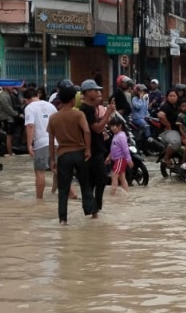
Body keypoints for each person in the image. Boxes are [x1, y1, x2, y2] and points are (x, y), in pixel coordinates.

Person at [47, 84, 95, 224]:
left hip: (63, 155)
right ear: (73, 100)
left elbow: (51, 140)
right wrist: (87, 149)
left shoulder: (54, 117)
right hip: (79, 153)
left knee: (63, 189)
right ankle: (92, 213)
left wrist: (53, 159)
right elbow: (86, 131)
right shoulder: (79, 114)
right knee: (85, 184)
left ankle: (63, 220)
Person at [79, 79, 114, 212]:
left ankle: (93, 209)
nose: (98, 93)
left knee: (95, 180)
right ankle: (94, 209)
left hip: (97, 148)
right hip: (92, 150)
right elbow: (97, 128)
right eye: (95, 91)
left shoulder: (91, 108)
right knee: (100, 179)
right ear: (87, 92)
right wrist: (108, 112)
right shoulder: (85, 110)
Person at [23, 86, 54, 200]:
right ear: (37, 95)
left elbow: (30, 126)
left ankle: (39, 199)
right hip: (55, 141)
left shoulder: (29, 108)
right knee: (58, 169)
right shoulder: (51, 105)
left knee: (40, 171)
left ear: (26, 100)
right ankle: (70, 193)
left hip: (41, 143)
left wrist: (29, 144)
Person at [157, 89, 182, 165]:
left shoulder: (178, 106)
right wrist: (168, 125)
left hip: (179, 130)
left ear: (177, 97)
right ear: (167, 97)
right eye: (170, 96)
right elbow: (161, 116)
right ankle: (166, 157)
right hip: (168, 131)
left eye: (174, 96)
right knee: (176, 142)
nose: (172, 98)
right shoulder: (165, 106)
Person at [108, 116, 132, 195]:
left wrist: (129, 160)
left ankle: (112, 194)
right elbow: (114, 148)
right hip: (117, 160)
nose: (113, 128)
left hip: (120, 159)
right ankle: (127, 194)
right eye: (111, 126)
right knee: (122, 178)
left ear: (120, 126)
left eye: (114, 126)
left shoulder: (121, 136)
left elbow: (125, 149)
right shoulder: (116, 135)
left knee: (114, 176)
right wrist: (109, 157)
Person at [0, 84, 18, 157]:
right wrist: (16, 114)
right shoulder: (3, 95)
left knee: (10, 135)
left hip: (9, 117)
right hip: (7, 118)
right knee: (9, 136)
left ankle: (10, 151)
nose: (12, 87)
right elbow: (7, 108)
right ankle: (10, 152)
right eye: (10, 86)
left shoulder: (8, 94)